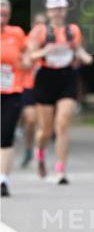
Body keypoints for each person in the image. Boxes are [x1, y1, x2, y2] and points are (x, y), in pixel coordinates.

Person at [27, 0, 94, 184]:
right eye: (54, 9)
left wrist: (85, 56)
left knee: (62, 124)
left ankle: (61, 169)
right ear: (48, 11)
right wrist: (44, 51)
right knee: (45, 130)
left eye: (61, 8)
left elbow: (78, 49)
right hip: (46, 77)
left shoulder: (73, 30)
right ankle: (39, 152)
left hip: (67, 77)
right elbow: (30, 56)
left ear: (65, 11)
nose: (58, 12)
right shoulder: (40, 31)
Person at [0, 0, 30, 197]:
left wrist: (26, 61)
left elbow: (28, 54)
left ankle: (3, 180)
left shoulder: (17, 33)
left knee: (6, 136)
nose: (2, 17)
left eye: (5, 14)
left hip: (12, 91)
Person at [19, 12, 46, 168]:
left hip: (46, 86)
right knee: (30, 120)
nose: (40, 27)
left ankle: (39, 151)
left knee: (43, 125)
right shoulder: (25, 41)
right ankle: (29, 148)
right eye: (37, 24)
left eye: (43, 24)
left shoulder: (51, 41)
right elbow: (22, 62)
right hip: (28, 85)